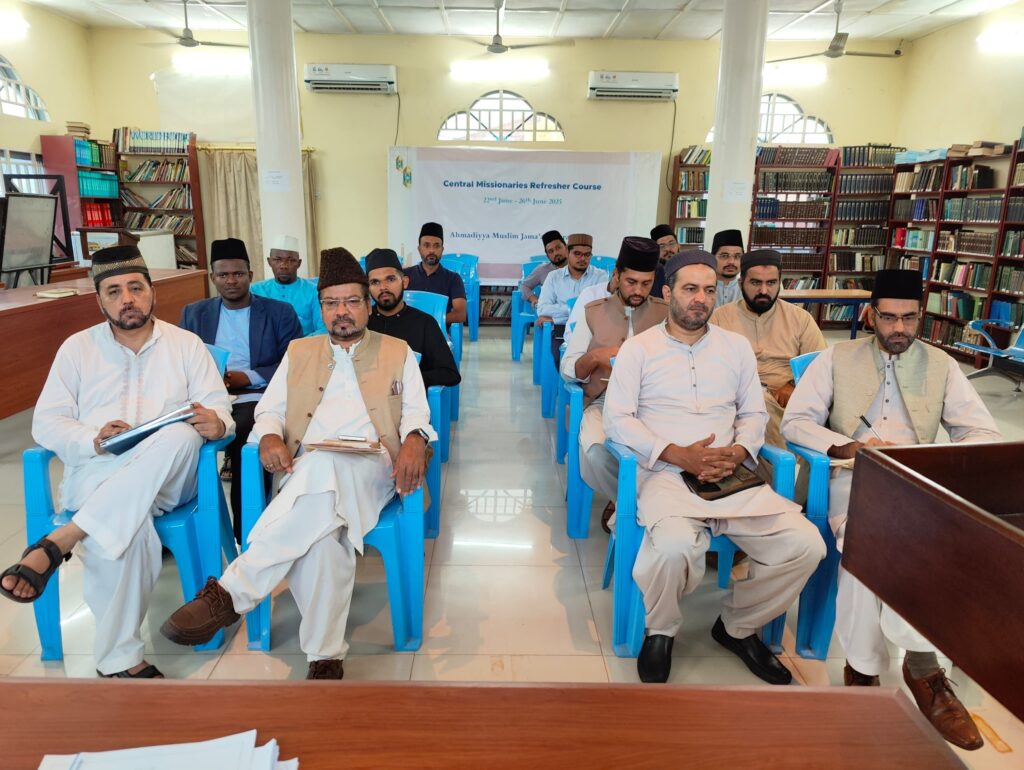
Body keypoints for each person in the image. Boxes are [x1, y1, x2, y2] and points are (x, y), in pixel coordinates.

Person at [161, 247, 436, 681]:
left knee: (323, 471)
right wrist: (270, 435)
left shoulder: (397, 351)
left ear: (367, 305)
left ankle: (230, 592)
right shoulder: (299, 350)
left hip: (373, 465)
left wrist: (416, 438)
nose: (341, 312)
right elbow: (269, 411)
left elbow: (417, 414)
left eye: (351, 301)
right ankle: (325, 657)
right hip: (307, 466)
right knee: (324, 539)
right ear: (320, 307)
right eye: (331, 303)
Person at [780, 269, 1000, 751]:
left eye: (909, 318)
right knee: (868, 543)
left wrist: (933, 459)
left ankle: (876, 669)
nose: (899, 328)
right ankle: (917, 670)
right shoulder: (836, 358)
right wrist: (850, 446)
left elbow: (982, 432)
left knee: (914, 550)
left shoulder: (942, 365)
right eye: (889, 317)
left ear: (920, 316)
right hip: (852, 477)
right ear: (870, 315)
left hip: (916, 484)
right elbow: (795, 423)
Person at [0, 245, 233, 680]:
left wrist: (216, 423)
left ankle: (64, 538)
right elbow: (46, 423)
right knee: (130, 528)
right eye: (114, 291)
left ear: (151, 292)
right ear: (99, 300)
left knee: (180, 433)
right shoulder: (77, 349)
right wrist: (93, 439)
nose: (127, 299)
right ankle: (120, 662)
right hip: (98, 472)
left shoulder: (186, 345)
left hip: (169, 479)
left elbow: (220, 408)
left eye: (135, 288)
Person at [603, 250, 824, 685]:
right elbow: (618, 420)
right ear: (668, 293)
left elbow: (754, 414)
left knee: (805, 545)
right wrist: (675, 453)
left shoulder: (734, 347)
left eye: (708, 290)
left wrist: (739, 452)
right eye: (689, 289)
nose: (700, 299)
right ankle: (661, 629)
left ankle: (738, 626)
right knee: (672, 549)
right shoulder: (638, 349)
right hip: (666, 474)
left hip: (731, 477)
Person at [179, 237, 302, 541]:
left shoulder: (279, 312)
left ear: (250, 274)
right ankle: (180, 520)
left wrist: (246, 377)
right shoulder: (194, 313)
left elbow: (295, 362)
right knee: (173, 437)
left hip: (256, 395)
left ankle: (246, 530)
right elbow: (180, 362)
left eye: (238, 274)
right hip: (207, 398)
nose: (231, 281)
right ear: (213, 277)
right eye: (223, 274)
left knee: (247, 434)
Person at [561, 237, 667, 533]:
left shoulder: (665, 313)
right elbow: (568, 369)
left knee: (665, 451)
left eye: (646, 284)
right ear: (617, 276)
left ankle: (635, 510)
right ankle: (637, 507)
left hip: (654, 402)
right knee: (596, 454)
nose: (638, 291)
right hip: (602, 400)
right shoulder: (593, 311)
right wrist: (596, 356)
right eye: (631, 282)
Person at [710, 248, 825, 451]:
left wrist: (791, 384)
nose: (764, 291)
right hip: (736, 397)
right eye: (756, 283)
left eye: (771, 283)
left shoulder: (800, 319)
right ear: (741, 283)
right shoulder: (719, 318)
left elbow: (820, 363)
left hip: (785, 400)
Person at [365, 247, 461, 389]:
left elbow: (450, 374)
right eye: (375, 282)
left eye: (390, 279)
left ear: (404, 282)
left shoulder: (424, 323)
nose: (383, 287)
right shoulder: (362, 323)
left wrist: (406, 379)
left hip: (411, 398)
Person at [536, 233, 608, 366]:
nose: (583, 258)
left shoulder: (600, 276)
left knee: (598, 358)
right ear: (568, 252)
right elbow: (542, 309)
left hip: (592, 330)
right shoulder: (553, 277)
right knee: (560, 356)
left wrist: (556, 318)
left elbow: (600, 310)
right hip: (561, 329)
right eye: (577, 254)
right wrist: (581, 308)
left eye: (587, 254)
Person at [250, 234, 327, 337]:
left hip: (303, 344)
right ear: (269, 262)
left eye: (291, 260)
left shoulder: (314, 291)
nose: (284, 265)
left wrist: (297, 344)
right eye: (278, 259)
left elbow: (323, 329)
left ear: (299, 263)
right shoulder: (255, 290)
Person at [404, 222, 467, 326]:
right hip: (408, 330)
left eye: (437, 246)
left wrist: (430, 322)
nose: (432, 250)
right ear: (419, 249)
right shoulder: (404, 276)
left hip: (438, 331)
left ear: (442, 250)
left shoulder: (453, 279)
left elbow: (460, 314)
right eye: (426, 245)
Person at [520, 230, 568, 307]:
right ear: (547, 255)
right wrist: (534, 299)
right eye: (551, 251)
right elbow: (524, 286)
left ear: (566, 247)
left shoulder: (577, 267)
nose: (556, 253)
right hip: (551, 311)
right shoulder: (542, 270)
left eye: (558, 248)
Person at [711, 229, 745, 308]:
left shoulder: (747, 290)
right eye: (724, 256)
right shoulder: (702, 287)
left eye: (737, 256)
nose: (731, 262)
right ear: (713, 258)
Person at [649, 223, 678, 299]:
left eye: (671, 243)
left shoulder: (687, 270)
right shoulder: (651, 275)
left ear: (678, 245)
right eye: (662, 246)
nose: (668, 249)